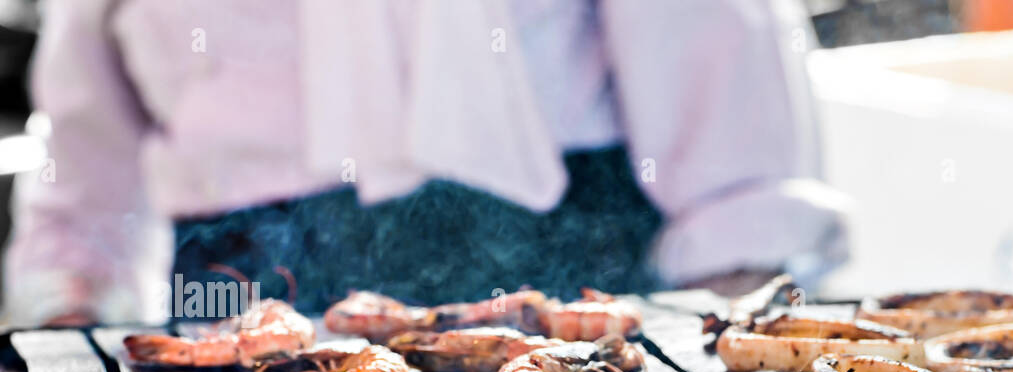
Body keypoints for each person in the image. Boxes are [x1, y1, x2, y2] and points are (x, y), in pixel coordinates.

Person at [3, 0, 850, 328]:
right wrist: (69, 294)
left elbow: (710, 47)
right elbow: (89, 116)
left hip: (553, 259)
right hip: (244, 280)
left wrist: (744, 298)